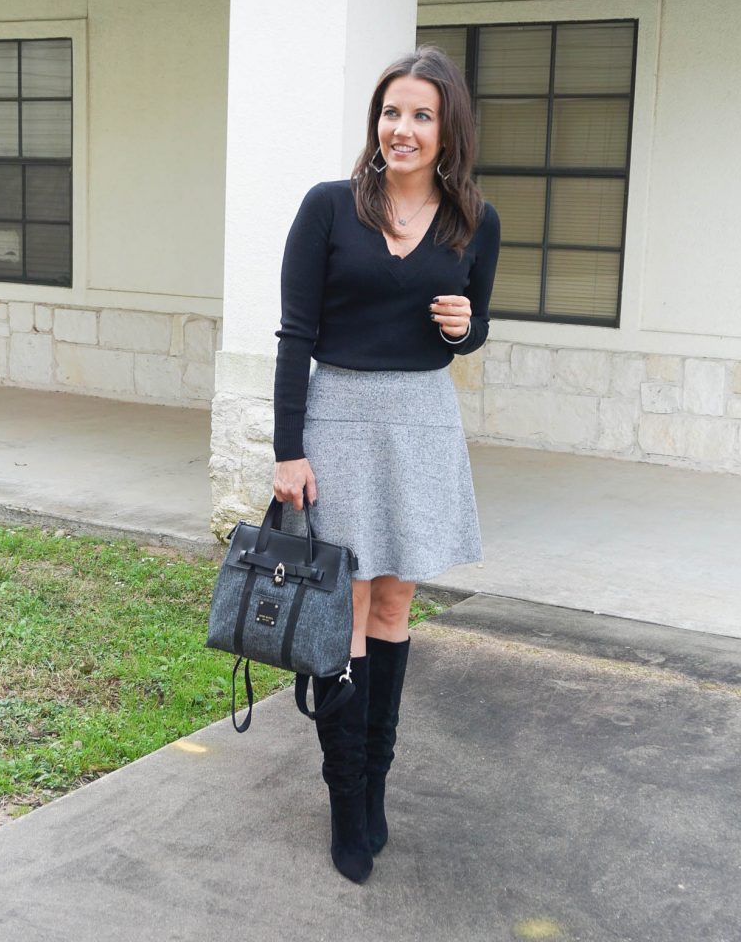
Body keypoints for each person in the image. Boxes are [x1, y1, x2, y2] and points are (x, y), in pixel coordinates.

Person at [271, 45, 501, 883]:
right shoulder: (329, 208)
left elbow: (474, 329)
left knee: (396, 597)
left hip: (421, 421)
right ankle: (344, 797)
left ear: (448, 132)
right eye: (391, 112)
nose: (400, 129)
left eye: (420, 116)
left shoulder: (474, 218)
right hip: (337, 415)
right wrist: (287, 449)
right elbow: (295, 334)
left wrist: (459, 328)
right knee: (348, 602)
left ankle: (375, 790)